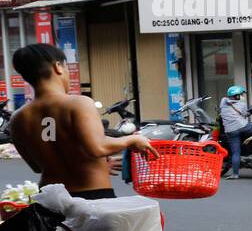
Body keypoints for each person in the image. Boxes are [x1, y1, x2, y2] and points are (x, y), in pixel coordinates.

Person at [7, 43, 155, 199]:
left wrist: (99, 165)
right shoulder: (78, 103)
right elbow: (98, 147)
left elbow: (37, 166)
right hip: (90, 197)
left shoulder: (17, 119)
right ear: (58, 67)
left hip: (49, 201)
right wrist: (133, 139)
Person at [219, 85, 251, 179]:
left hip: (230, 131)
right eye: (241, 94)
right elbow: (246, 114)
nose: (243, 96)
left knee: (235, 153)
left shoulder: (223, 101)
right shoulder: (242, 104)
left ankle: (235, 174)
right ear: (237, 96)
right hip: (243, 127)